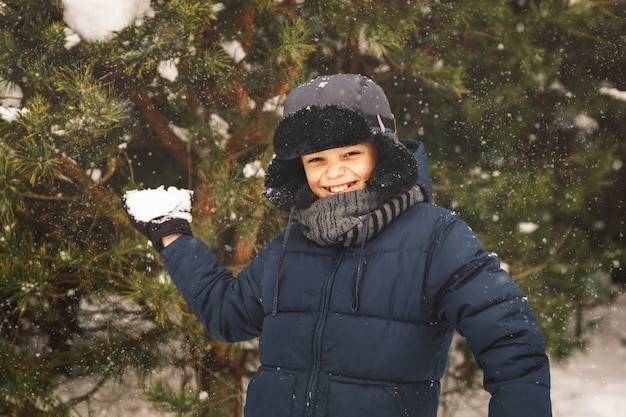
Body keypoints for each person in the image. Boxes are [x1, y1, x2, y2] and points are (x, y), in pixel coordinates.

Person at [123, 74, 552, 417]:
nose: (333, 174)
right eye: (316, 160)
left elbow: (513, 346)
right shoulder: (292, 243)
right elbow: (227, 316)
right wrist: (172, 235)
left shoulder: (436, 237)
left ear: (381, 153)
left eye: (350, 154)